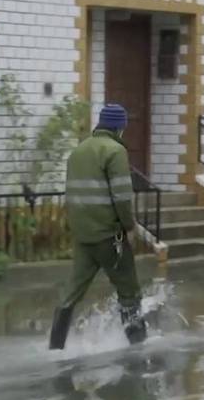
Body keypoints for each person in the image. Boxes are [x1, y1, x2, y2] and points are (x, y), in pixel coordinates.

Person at [49, 104, 147, 350]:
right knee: (129, 289)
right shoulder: (115, 151)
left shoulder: (78, 151)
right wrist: (129, 227)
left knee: (71, 293)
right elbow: (123, 197)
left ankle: (55, 347)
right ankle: (138, 346)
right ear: (119, 127)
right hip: (109, 236)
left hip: (84, 236)